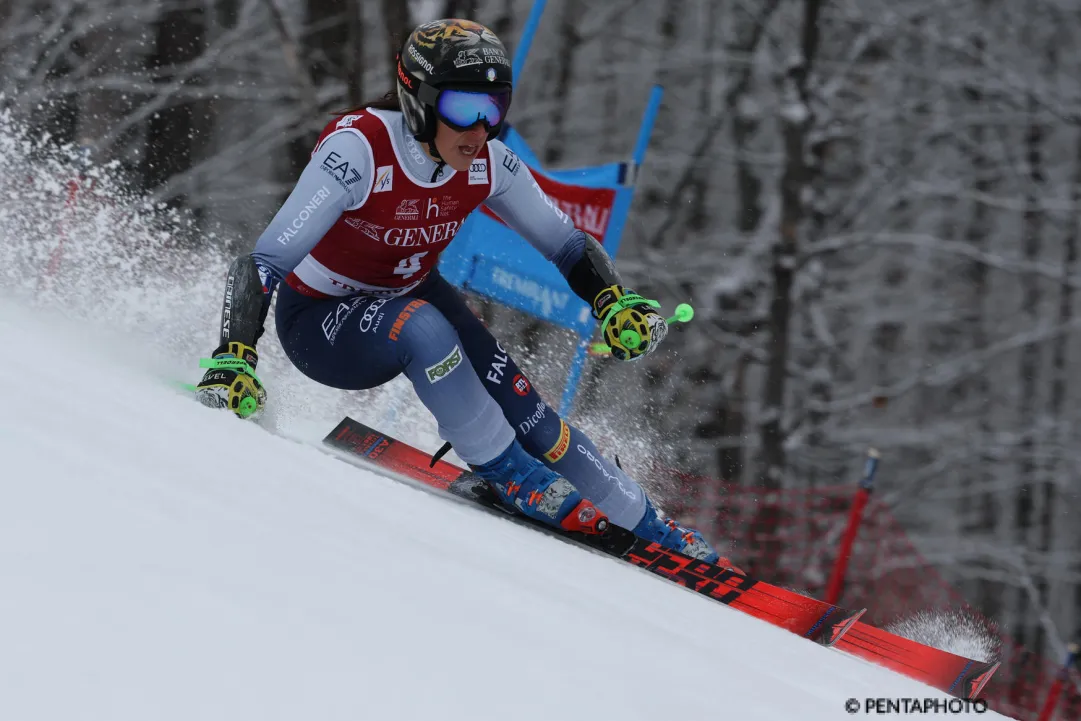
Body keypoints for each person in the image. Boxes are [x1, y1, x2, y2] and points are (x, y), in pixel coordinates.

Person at [194, 18, 719, 562]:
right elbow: (263, 260)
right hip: (323, 321)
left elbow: (565, 242)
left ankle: (649, 525)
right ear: (418, 102)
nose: (480, 130)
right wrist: (235, 357)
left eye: (495, 108)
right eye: (465, 109)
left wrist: (612, 300)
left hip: (414, 293)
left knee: (530, 412)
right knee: (424, 326)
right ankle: (508, 474)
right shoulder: (359, 149)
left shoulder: (488, 162)